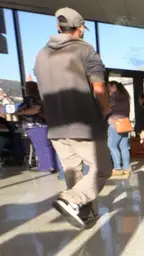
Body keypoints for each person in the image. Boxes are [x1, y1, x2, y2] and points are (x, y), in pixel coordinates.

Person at [34, 7, 111, 229]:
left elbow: (41, 91)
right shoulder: (85, 50)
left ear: (58, 27)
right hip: (84, 123)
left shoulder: (41, 55)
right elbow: (98, 86)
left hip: (56, 126)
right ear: (81, 29)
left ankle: (84, 213)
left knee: (72, 170)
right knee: (103, 168)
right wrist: (104, 110)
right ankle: (71, 200)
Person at [16, 82, 58, 172]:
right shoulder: (39, 97)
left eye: (26, 87)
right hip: (39, 125)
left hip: (36, 125)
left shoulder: (32, 98)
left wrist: (21, 112)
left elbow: (35, 109)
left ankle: (47, 165)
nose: (24, 89)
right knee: (43, 145)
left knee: (41, 146)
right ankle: (50, 164)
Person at [107, 81, 131, 176]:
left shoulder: (113, 96)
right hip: (125, 123)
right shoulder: (125, 96)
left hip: (115, 123)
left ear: (113, 86)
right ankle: (126, 168)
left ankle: (117, 168)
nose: (107, 89)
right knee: (124, 147)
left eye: (108, 87)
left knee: (112, 146)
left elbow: (107, 108)